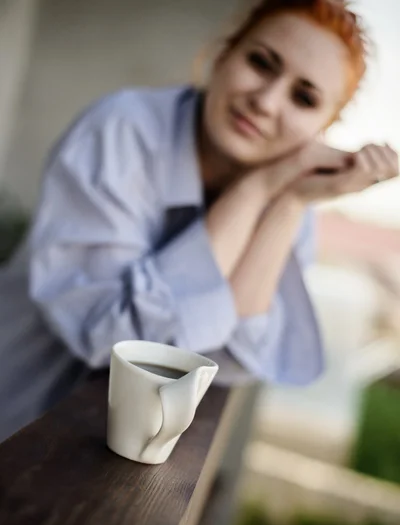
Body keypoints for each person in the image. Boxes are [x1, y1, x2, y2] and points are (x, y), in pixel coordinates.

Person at [0, 0, 398, 442]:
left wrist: (286, 203)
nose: (266, 101)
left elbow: (234, 358)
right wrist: (254, 190)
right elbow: (114, 341)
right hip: (17, 405)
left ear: (322, 127)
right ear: (223, 54)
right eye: (261, 63)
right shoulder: (122, 130)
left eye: (303, 98)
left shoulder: (293, 192)